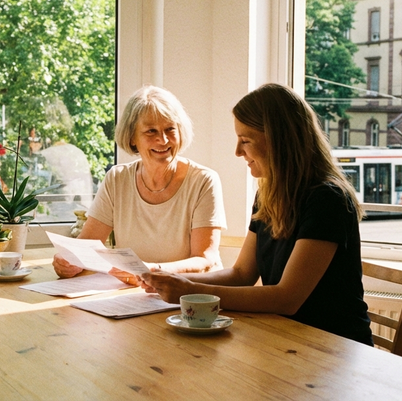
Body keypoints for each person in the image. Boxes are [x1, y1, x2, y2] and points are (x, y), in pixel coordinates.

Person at [140, 83, 373, 346]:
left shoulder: (328, 199)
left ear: (278, 140)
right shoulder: (268, 194)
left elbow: (287, 299)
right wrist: (175, 280)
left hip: (334, 346)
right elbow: (242, 274)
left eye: (245, 140)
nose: (238, 151)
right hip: (287, 338)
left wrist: (191, 290)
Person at [52, 85, 226, 284]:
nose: (163, 139)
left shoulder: (204, 181)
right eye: (151, 131)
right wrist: (69, 261)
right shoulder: (117, 179)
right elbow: (88, 244)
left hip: (190, 298)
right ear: (132, 137)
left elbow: (206, 260)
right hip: (136, 296)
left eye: (170, 129)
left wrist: (153, 271)